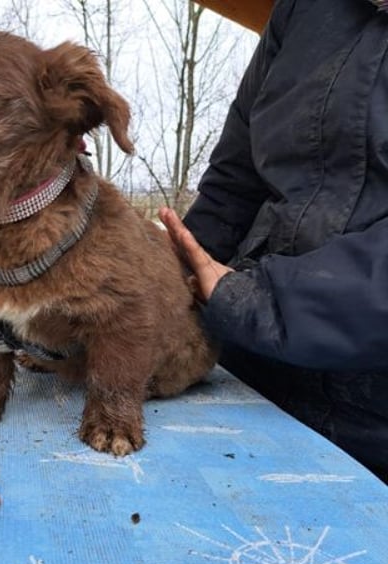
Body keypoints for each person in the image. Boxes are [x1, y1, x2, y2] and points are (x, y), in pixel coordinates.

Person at [158, 0, 388, 483]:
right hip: (251, 372)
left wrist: (253, 299)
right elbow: (234, 180)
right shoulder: (303, 10)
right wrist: (159, 285)